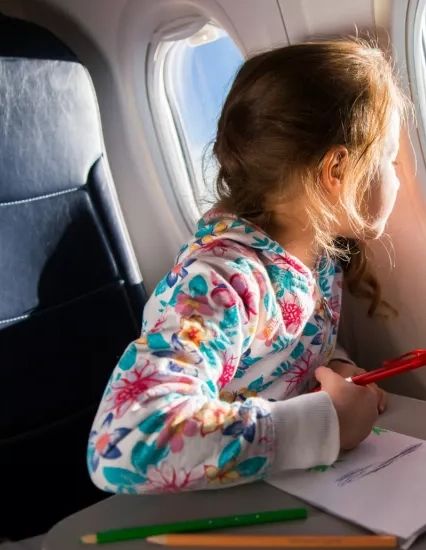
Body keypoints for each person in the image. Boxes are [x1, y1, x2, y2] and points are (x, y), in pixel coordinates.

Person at [87, 38, 409, 493]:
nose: (398, 176)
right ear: (337, 170)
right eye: (391, 159)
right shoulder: (221, 282)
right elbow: (124, 443)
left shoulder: (315, 260)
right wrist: (327, 424)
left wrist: (334, 368)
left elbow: (279, 354)